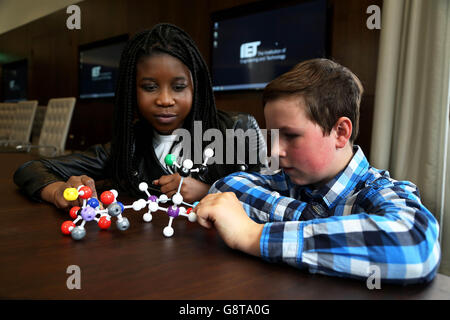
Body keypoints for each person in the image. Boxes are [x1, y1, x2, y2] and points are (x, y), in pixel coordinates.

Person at [193, 58, 441, 285]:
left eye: (290, 135)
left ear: (340, 133)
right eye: (273, 136)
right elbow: (226, 188)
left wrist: (252, 235)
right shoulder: (288, 181)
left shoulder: (379, 191)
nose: (275, 151)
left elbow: (415, 244)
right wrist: (317, 219)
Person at [14, 23, 265, 209]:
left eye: (178, 87)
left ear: (196, 87)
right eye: (150, 87)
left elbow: (277, 197)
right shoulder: (128, 145)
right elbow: (31, 168)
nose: (165, 99)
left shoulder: (237, 129)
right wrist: (58, 190)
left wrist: (209, 190)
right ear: (131, 91)